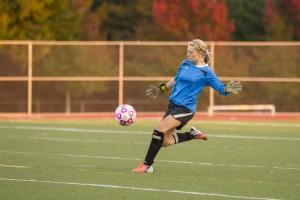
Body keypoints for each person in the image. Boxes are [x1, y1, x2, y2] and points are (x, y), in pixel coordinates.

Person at [132, 39, 242, 173]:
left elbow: (220, 87)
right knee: (165, 141)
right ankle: (191, 134)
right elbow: (176, 79)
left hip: (186, 109)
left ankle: (146, 165)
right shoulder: (185, 64)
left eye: (191, 52)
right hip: (173, 105)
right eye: (187, 52)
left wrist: (226, 89)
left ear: (200, 53)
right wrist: (160, 89)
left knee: (158, 130)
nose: (188, 55)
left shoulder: (207, 73)